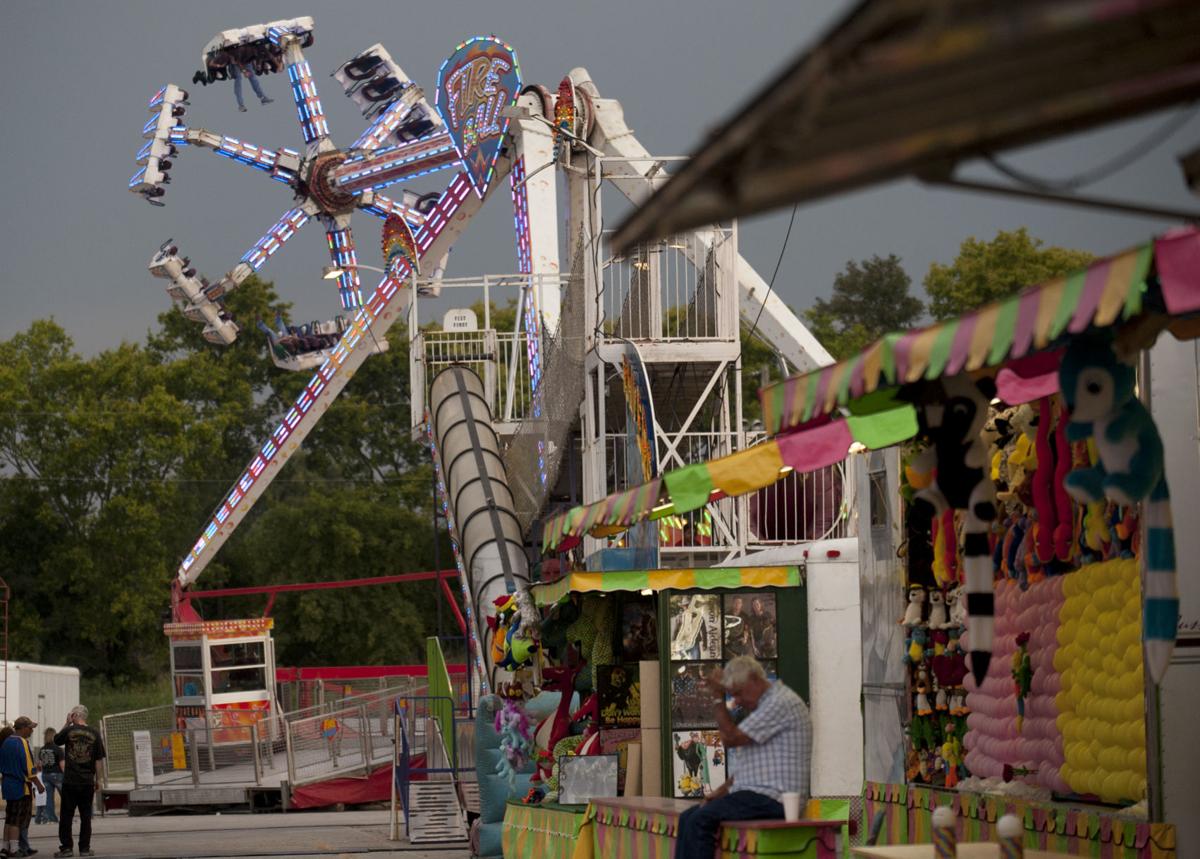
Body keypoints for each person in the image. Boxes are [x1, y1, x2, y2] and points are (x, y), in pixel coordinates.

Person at [674, 656, 812, 859]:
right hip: (758, 794)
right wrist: (722, 790)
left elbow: (730, 738)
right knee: (687, 818)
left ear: (754, 679)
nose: (737, 701)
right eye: (732, 696)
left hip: (775, 797)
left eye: (738, 693)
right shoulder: (764, 707)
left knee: (700, 820)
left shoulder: (780, 702)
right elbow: (751, 765)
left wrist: (717, 698)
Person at [54, 707, 105, 859]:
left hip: (70, 781)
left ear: (75, 715)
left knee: (66, 816)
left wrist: (67, 723)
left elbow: (56, 740)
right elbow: (98, 760)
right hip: (87, 781)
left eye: (71, 714)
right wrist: (99, 779)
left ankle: (67, 849)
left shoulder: (69, 731)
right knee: (85, 816)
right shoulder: (95, 733)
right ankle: (84, 849)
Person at [1, 717, 43, 858]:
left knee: (9, 818)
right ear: (23, 728)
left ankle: (5, 847)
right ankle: (14, 849)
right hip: (20, 786)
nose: (31, 731)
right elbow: (29, 768)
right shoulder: (22, 742)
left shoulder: (6, 741)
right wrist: (39, 784)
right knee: (17, 820)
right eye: (30, 728)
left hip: (7, 784)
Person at [226, 47, 273, 112]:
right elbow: (237, 61)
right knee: (238, 79)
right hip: (235, 62)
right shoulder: (243, 51)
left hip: (246, 61)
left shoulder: (256, 52)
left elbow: (259, 58)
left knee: (253, 77)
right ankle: (241, 105)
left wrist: (258, 65)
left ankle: (263, 98)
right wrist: (244, 71)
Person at [37, 729, 63, 825]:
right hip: (57, 775)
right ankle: (66, 817)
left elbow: (39, 764)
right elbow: (62, 765)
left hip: (46, 775)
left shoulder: (42, 749)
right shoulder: (58, 749)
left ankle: (52, 818)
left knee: (49, 797)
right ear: (54, 736)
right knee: (66, 797)